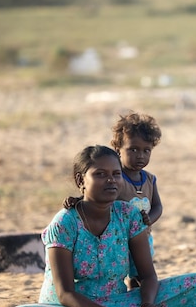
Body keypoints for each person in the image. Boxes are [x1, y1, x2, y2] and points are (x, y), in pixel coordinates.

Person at [7, 145, 196, 307]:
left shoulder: (128, 215)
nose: (111, 180)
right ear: (80, 181)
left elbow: (147, 275)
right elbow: (65, 294)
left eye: (116, 174)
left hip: (119, 304)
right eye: (100, 174)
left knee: (194, 283)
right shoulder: (65, 223)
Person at [65, 112, 163, 290]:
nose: (140, 155)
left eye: (146, 151)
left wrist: (150, 218)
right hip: (117, 239)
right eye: (133, 149)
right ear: (118, 149)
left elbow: (157, 206)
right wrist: (78, 200)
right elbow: (97, 198)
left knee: (140, 275)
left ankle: (136, 298)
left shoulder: (149, 179)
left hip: (142, 237)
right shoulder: (116, 178)